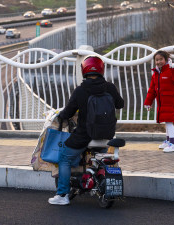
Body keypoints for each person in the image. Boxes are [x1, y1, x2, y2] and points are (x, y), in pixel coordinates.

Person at [48, 55, 124, 205]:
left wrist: (60, 116)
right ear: (102, 69)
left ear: (84, 70)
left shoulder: (81, 90)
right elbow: (120, 104)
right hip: (106, 135)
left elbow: (68, 112)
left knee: (64, 158)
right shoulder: (110, 87)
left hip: (85, 135)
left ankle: (62, 195)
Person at [144, 50, 174, 153]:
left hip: (171, 100)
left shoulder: (171, 70)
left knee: (169, 121)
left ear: (166, 60)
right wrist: (148, 102)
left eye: (161, 59)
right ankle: (168, 141)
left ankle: (173, 143)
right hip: (162, 102)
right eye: (156, 60)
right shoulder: (156, 73)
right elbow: (152, 90)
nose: (158, 62)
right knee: (167, 122)